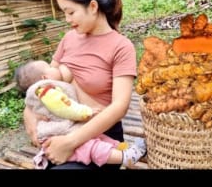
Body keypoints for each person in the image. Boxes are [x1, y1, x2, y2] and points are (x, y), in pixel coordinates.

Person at [15, 60, 146, 169]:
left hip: (75, 130)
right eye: (50, 67)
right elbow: (64, 107)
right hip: (60, 133)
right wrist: (86, 112)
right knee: (90, 148)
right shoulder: (47, 90)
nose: (55, 67)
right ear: (44, 78)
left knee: (96, 140)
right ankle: (126, 157)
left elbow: (120, 106)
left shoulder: (46, 88)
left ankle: (121, 148)